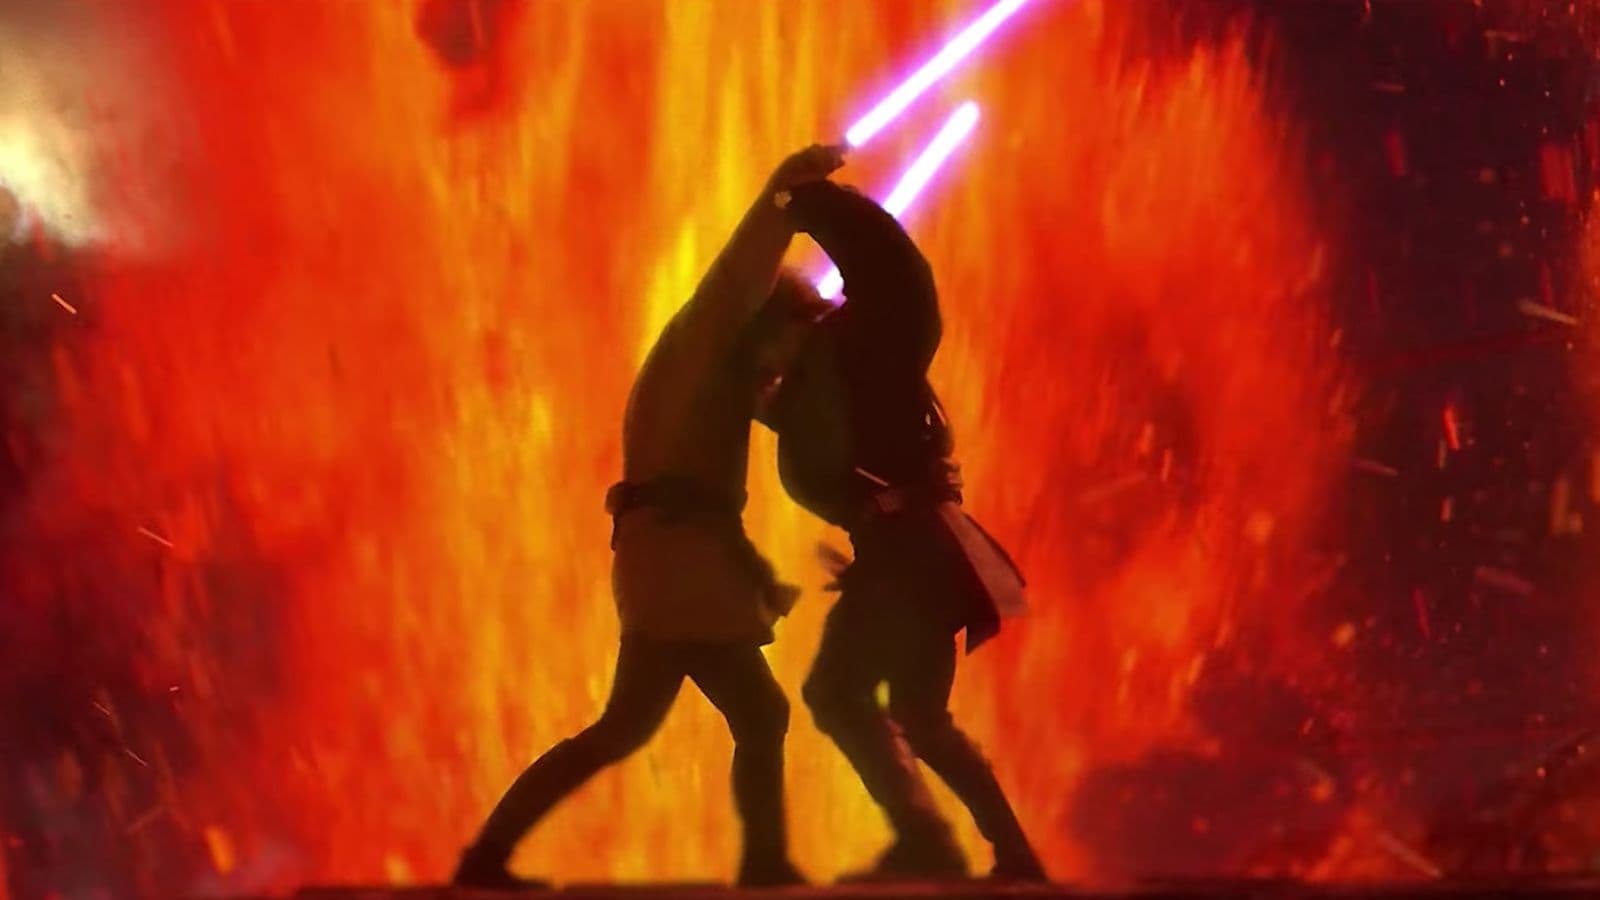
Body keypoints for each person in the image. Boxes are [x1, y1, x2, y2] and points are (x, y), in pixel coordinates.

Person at [452, 143, 848, 890]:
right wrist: (782, 195)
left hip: (672, 565)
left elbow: (771, 418)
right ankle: (765, 866)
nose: (779, 373)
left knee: (627, 728)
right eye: (783, 352)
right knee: (755, 713)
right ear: (762, 326)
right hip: (676, 566)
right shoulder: (702, 345)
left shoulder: (714, 379)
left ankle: (486, 858)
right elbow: (736, 278)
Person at [754, 179, 1046, 882]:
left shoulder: (860, 347)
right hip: (915, 555)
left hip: (913, 555)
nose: (762, 370)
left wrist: (812, 204)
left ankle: (927, 841)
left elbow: (897, 279)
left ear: (784, 323)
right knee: (920, 715)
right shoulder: (810, 389)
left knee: (837, 693)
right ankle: (1012, 854)